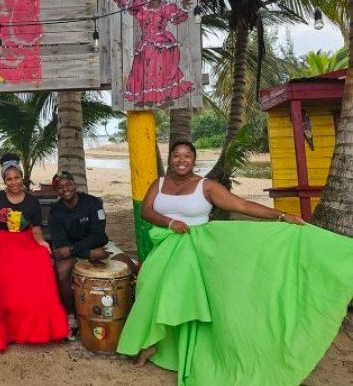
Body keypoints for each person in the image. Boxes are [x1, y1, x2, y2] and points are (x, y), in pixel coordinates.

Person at [116, 141, 353, 385]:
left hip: (197, 250)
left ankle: (168, 347)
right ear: (170, 159)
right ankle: (151, 343)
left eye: (187, 155)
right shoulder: (159, 183)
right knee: (148, 288)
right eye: (176, 155)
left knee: (180, 296)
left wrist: (280, 215)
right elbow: (146, 211)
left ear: (194, 160)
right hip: (166, 246)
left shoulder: (206, 186)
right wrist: (170, 223)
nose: (182, 160)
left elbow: (241, 205)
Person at [0, 153, 69, 352]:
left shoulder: (32, 201)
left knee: (40, 270)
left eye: (16, 177)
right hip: (2, 244)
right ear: (4, 180)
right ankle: (5, 333)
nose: (13, 182)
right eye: (9, 179)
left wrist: (43, 243)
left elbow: (36, 230)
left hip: (25, 242)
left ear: (22, 177)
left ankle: (35, 330)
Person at [49, 170, 138, 340]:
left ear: (75, 185)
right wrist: (88, 253)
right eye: (60, 187)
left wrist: (79, 249)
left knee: (129, 266)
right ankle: (71, 317)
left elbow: (98, 235)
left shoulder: (92, 203)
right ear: (57, 191)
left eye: (68, 184)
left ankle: (130, 310)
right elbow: (61, 245)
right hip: (77, 251)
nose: (65, 189)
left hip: (99, 246)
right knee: (62, 271)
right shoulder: (55, 212)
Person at [107, 0, 193, 107]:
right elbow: (126, 4)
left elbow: (177, 17)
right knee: (142, 69)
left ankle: (164, 98)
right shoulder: (141, 6)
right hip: (146, 44)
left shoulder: (166, 8)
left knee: (158, 71)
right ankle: (146, 97)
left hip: (161, 45)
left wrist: (183, 7)